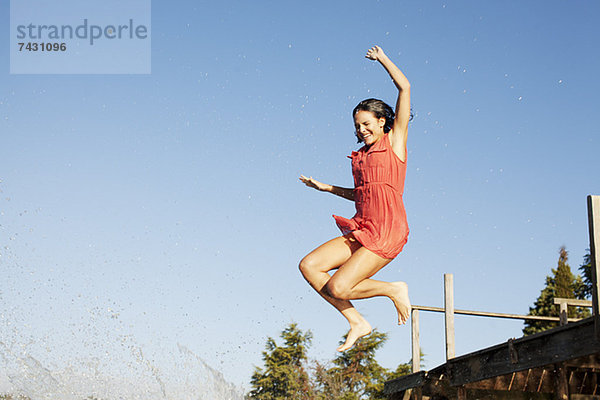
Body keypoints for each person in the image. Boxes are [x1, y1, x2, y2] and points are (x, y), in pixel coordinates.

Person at [299, 45, 412, 352]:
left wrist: (383, 59)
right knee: (309, 266)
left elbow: (405, 87)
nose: (361, 130)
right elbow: (364, 194)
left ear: (382, 122)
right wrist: (327, 189)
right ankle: (357, 322)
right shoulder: (360, 157)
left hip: (387, 231)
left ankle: (393, 289)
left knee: (339, 285)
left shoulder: (395, 142)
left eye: (366, 124)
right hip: (363, 227)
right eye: (357, 126)